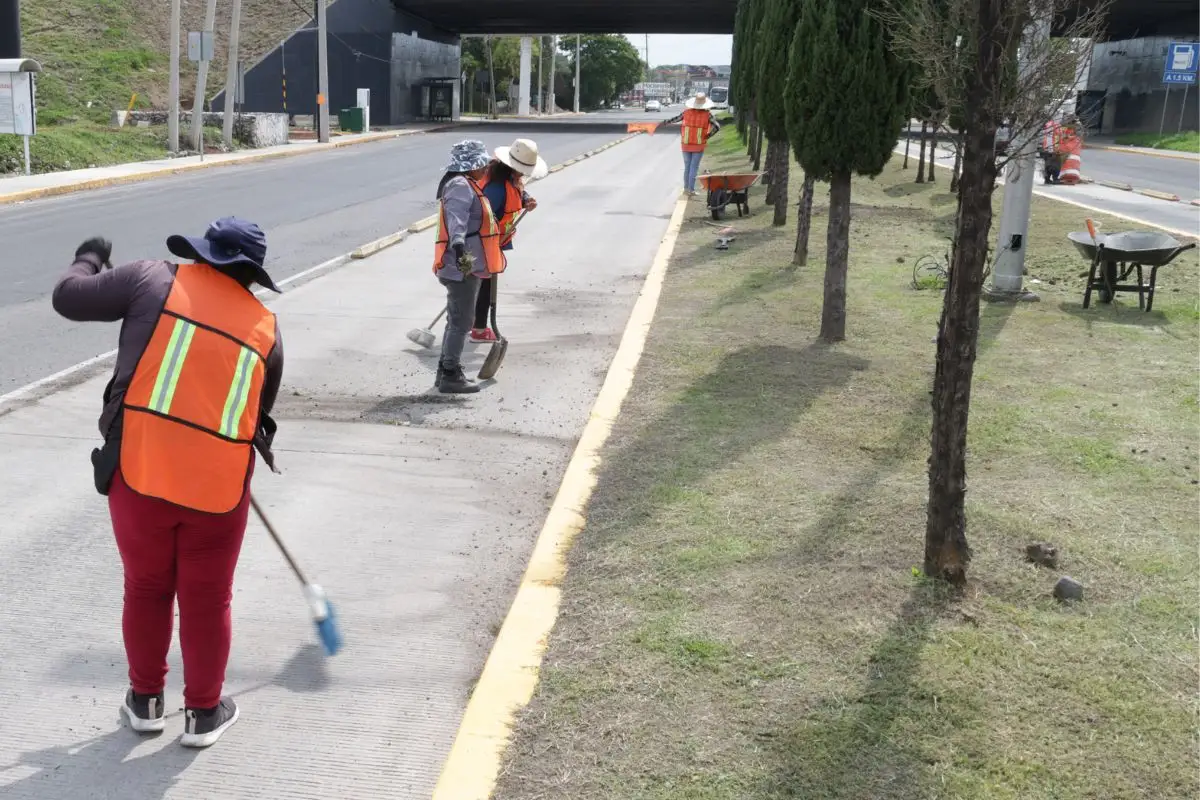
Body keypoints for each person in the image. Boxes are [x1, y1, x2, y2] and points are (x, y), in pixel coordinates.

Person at [50, 217, 284, 748]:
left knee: (148, 588)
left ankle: (146, 701)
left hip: (141, 474)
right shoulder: (266, 329)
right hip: (219, 493)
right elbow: (256, 414)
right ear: (251, 274)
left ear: (202, 254)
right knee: (208, 600)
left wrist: (90, 255)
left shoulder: (151, 280)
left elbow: (69, 297)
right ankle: (203, 713)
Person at [433, 140, 506, 393]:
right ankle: (451, 375)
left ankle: (445, 371)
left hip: (467, 264)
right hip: (461, 266)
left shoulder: (468, 184)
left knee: (456, 320)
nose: (485, 168)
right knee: (462, 323)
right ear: (471, 165)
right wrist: (461, 251)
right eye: (482, 163)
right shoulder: (460, 186)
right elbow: (457, 221)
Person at [474, 138, 548, 343]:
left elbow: (519, 191)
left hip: (496, 241)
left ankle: (473, 324)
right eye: (520, 170)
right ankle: (478, 329)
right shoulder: (495, 189)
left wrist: (526, 200)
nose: (522, 174)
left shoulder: (509, 180)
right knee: (483, 285)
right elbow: (482, 217)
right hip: (484, 242)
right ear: (510, 166)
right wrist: (489, 242)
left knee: (483, 284)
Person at [666, 91, 722, 195]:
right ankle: (691, 190)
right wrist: (708, 135)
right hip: (699, 145)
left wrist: (665, 122)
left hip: (685, 144)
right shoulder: (707, 115)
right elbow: (717, 127)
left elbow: (675, 119)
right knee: (693, 167)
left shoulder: (686, 113)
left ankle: (686, 189)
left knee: (687, 167)